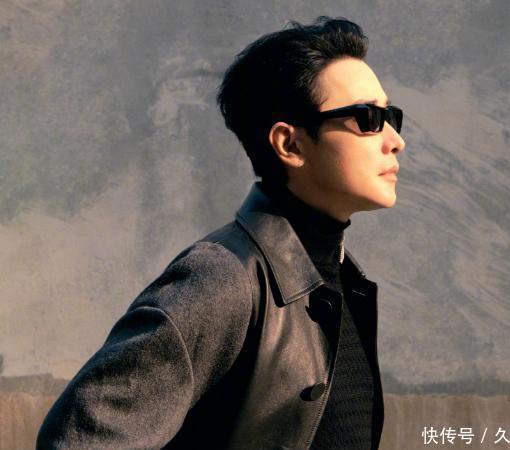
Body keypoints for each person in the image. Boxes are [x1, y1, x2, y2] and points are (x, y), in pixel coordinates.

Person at [37, 16, 406, 449]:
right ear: (290, 144)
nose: (395, 140)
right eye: (367, 118)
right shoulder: (222, 278)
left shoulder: (345, 283)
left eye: (391, 117)